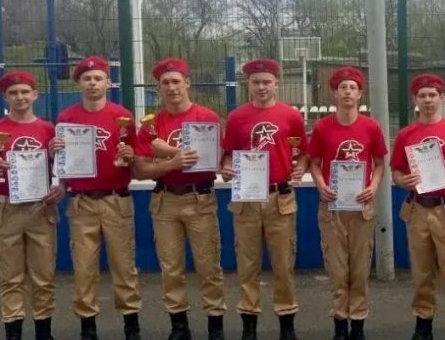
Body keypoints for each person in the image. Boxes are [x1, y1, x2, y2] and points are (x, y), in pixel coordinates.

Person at [0, 71, 65, 340]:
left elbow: (62, 167)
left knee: (44, 275)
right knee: (11, 277)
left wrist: (61, 186)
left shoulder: (49, 130)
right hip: (5, 209)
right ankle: (13, 331)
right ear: (5, 97)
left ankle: (44, 332)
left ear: (35, 95)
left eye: (24, 92)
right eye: (13, 93)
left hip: (40, 209)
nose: (20, 97)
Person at [132, 57, 226, 340]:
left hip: (200, 199)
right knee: (171, 268)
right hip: (166, 201)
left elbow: (219, 160)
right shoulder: (151, 125)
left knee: (209, 266)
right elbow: (140, 170)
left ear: (187, 83)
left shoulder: (207, 118)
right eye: (165, 83)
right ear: (158, 88)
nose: (172, 88)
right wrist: (172, 163)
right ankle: (179, 326)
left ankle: (215, 325)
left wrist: (225, 165)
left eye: (176, 81)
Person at [49, 56, 142, 340]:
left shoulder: (122, 116)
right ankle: (87, 326)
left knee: (124, 265)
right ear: (79, 83)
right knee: (84, 267)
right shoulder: (67, 117)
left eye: (98, 78)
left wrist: (130, 155)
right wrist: (55, 154)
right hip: (81, 200)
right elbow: (61, 164)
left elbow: (136, 160)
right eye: (87, 79)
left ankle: (131, 325)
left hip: (116, 198)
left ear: (108, 83)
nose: (92, 83)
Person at [220, 58, 308, 340]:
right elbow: (228, 154)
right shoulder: (236, 117)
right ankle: (249, 324)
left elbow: (303, 152)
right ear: (248, 84)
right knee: (247, 266)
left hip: (279, 196)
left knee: (284, 264)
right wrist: (226, 168)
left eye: (267, 82)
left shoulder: (291, 116)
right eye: (256, 82)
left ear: (276, 84)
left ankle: (287, 323)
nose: (261, 87)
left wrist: (300, 167)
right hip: (246, 199)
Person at [390, 73, 445, 340]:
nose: (427, 100)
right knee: (421, 271)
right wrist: (402, 180)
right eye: (422, 95)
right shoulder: (406, 134)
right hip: (418, 208)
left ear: (441, 98)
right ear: (415, 99)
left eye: (432, 95)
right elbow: (396, 171)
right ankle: (423, 326)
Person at [307, 66, 388, 340]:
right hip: (332, 208)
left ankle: (359, 324)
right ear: (335, 93)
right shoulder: (322, 127)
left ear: (360, 94)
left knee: (361, 269)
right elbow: (315, 163)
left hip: (361, 207)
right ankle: (340, 325)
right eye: (343, 87)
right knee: (338, 270)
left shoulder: (371, 127)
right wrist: (321, 185)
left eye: (353, 88)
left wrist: (373, 187)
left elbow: (379, 164)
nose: (348, 92)